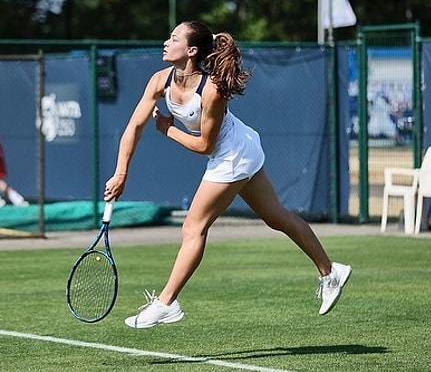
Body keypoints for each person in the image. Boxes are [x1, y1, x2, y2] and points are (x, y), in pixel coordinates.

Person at [104, 21, 352, 329]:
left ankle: (167, 303)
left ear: (191, 50)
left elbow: (204, 145)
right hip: (239, 148)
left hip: (232, 155)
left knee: (193, 227)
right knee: (276, 217)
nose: (166, 42)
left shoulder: (212, 90)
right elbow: (134, 128)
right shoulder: (159, 80)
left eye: (174, 38)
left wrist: (168, 129)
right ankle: (331, 271)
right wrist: (121, 173)